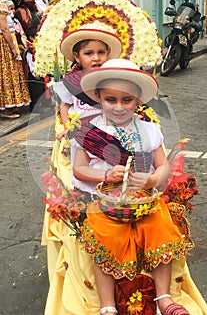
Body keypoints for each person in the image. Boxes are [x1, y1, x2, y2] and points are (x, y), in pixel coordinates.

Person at [71, 58, 199, 315]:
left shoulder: (150, 130)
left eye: (126, 100)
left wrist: (152, 180)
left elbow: (163, 166)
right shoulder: (89, 132)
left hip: (144, 202)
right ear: (98, 97)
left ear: (138, 100)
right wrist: (106, 174)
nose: (118, 107)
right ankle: (108, 306)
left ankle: (164, 297)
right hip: (107, 203)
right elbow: (78, 169)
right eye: (110, 100)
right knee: (103, 234)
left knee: (161, 225)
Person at [41, 23, 122, 281]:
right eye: (89, 53)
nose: (96, 58)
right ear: (76, 57)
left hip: (111, 136)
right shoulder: (70, 82)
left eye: (101, 52)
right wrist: (68, 128)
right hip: (82, 138)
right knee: (77, 180)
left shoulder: (115, 76)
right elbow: (65, 106)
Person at [0, 0, 31, 119]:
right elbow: (5, 28)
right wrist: (13, 47)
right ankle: (6, 106)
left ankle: (10, 104)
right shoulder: (1, 6)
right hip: (4, 43)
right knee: (8, 71)